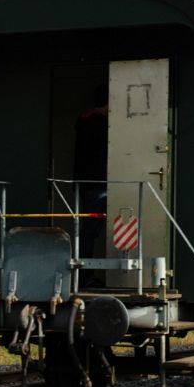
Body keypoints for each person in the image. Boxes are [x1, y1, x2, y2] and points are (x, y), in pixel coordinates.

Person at [74, 84, 109, 259]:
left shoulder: (85, 121)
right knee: (90, 230)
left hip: (88, 182)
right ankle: (85, 274)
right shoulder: (99, 124)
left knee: (89, 229)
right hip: (97, 182)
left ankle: (84, 273)